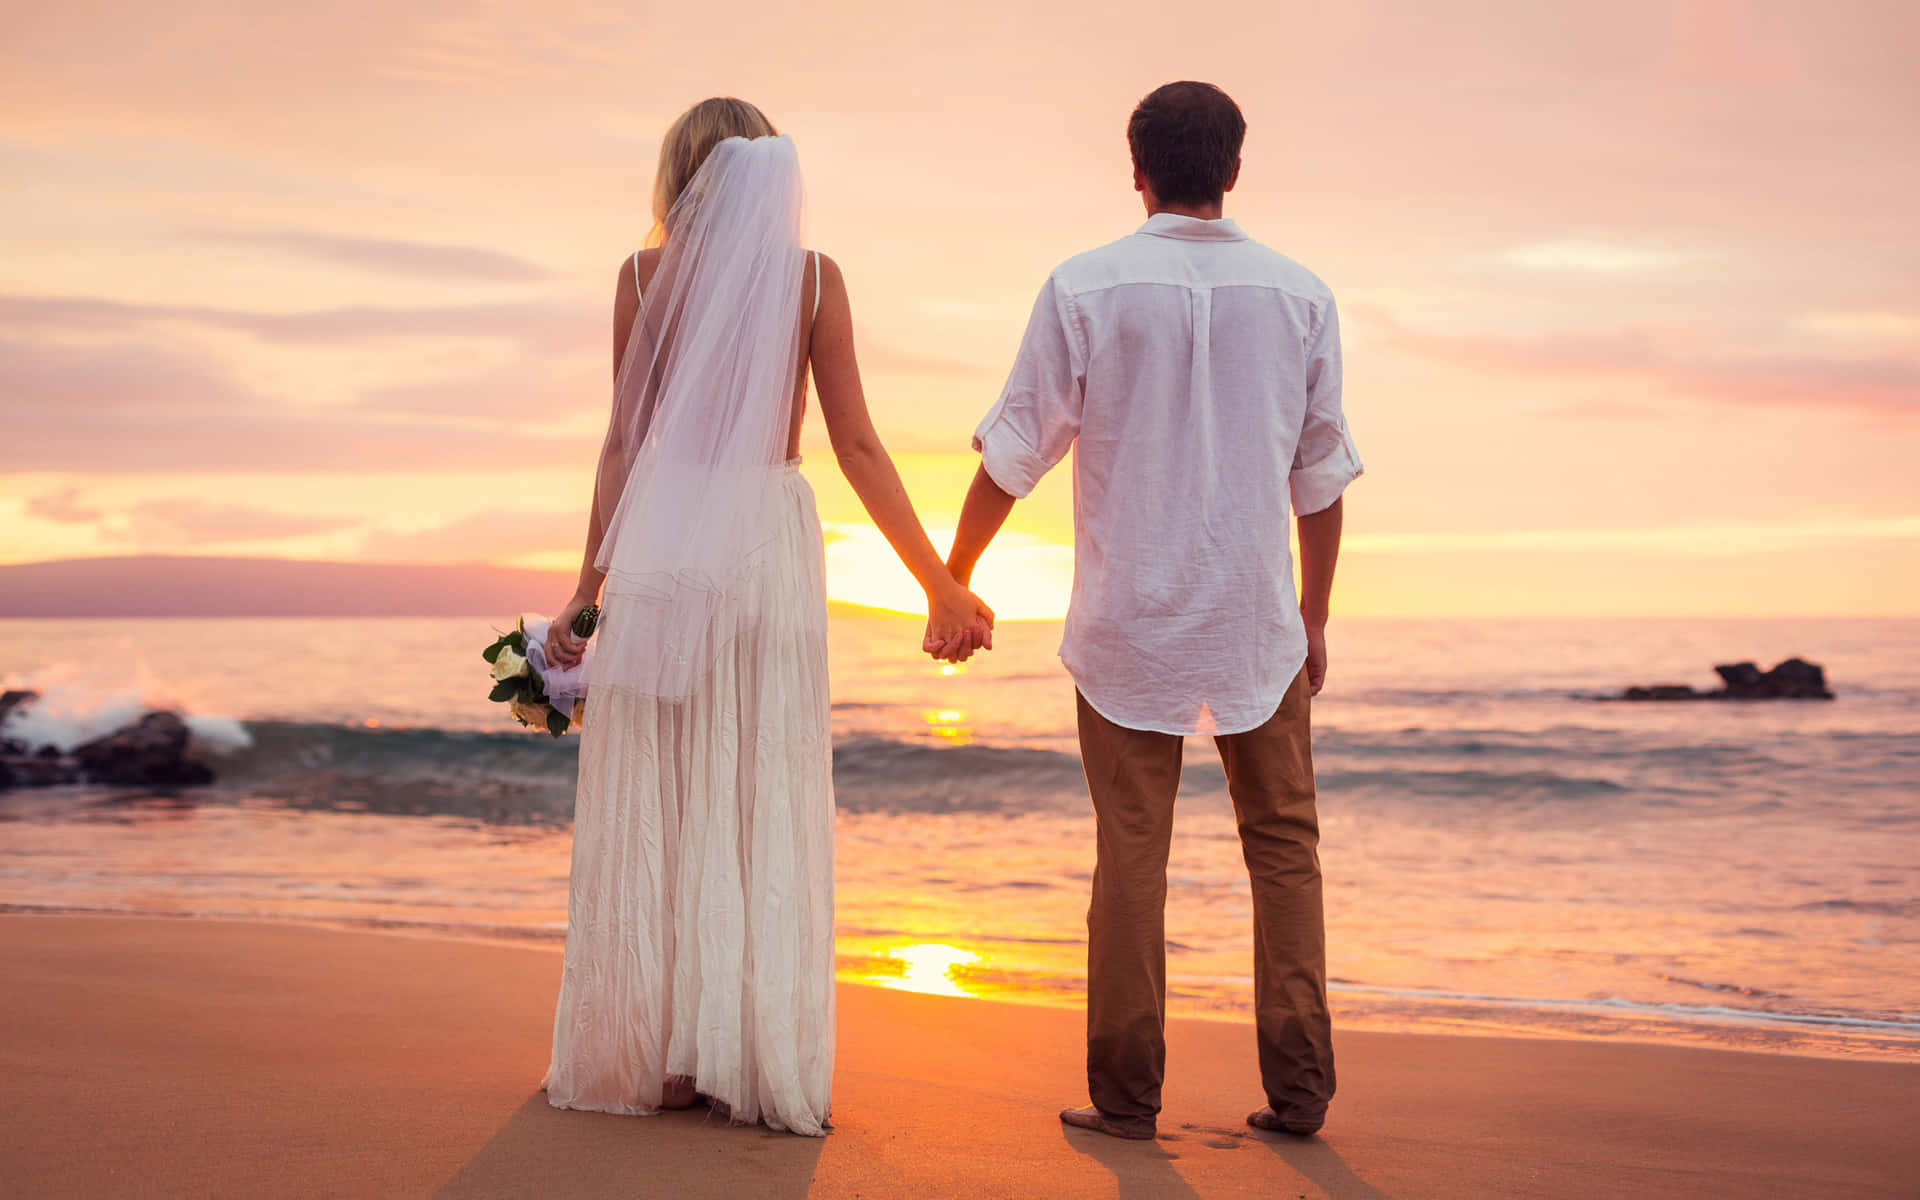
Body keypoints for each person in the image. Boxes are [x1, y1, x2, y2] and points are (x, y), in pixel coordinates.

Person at [540, 96, 993, 1137]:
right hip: (766, 545)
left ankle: (663, 1062)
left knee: (670, 782)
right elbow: (861, 446)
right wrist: (938, 581)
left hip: (665, 535)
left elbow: (622, 443)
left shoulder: (644, 277)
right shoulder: (812, 280)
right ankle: (746, 1052)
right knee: (754, 789)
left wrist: (589, 588)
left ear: (679, 175)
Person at [942, 81, 1362, 1140]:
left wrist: (955, 573)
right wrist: (1315, 614)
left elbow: (1014, 454)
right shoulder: (1302, 295)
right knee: (1285, 849)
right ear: (1233, 168)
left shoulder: (1086, 286)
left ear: (1138, 170)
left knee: (1132, 851)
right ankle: (1302, 1090)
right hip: (1255, 621)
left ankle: (1128, 1097)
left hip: (1131, 623)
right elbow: (1321, 479)